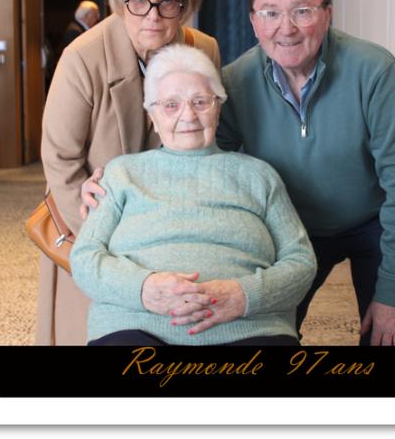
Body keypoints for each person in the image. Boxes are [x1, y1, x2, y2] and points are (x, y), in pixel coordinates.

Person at [217, 0, 395, 346]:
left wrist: (394, 292)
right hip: (289, 228)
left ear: (327, 14)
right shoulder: (234, 81)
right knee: (263, 337)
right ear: (253, 22)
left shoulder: (374, 70)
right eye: (270, 13)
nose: (286, 28)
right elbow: (210, 167)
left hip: (373, 221)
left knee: (391, 336)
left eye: (302, 11)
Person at [38, 0, 220, 345]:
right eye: (138, 0)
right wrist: (98, 245)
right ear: (120, 1)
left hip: (175, 225)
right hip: (98, 222)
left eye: (168, 2)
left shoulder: (204, 50)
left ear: (187, 5)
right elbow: (61, 160)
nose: (152, 16)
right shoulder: (82, 57)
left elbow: (211, 136)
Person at [70, 45, 316, 346]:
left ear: (218, 107)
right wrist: (143, 288)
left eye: (200, 102)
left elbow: (301, 261)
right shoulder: (121, 173)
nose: (188, 115)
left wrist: (243, 296)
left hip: (249, 328)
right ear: (151, 115)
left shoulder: (258, 175)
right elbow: (85, 258)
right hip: (134, 325)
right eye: (171, 105)